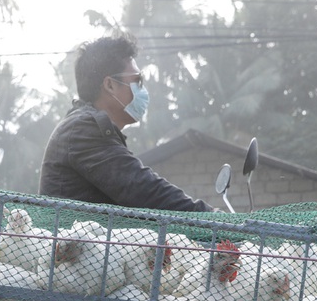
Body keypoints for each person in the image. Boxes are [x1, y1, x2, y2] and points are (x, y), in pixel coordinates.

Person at [39, 34, 215, 212]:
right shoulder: (83, 129)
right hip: (74, 239)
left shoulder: (86, 126)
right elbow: (145, 191)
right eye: (137, 81)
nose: (143, 90)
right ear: (110, 85)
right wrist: (217, 220)